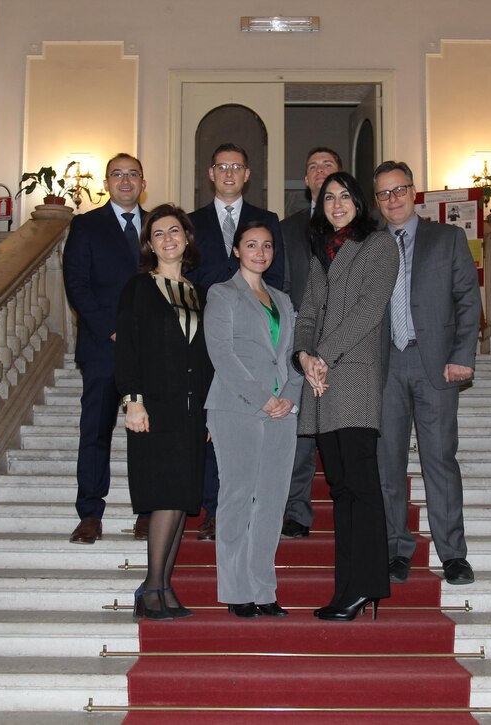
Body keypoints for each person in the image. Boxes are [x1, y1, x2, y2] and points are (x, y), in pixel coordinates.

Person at [293, 172, 399, 622]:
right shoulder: (321, 255)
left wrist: (322, 355)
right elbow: (308, 312)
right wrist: (302, 355)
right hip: (319, 382)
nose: (336, 204)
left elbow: (368, 312)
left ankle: (365, 586)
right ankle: (348, 589)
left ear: (359, 202)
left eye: (344, 196)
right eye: (328, 197)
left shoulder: (378, 246)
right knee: (340, 490)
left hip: (352, 380)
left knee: (360, 487)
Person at [373, 161, 481, 587]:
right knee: (388, 465)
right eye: (383, 194)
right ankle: (396, 549)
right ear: (377, 201)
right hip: (385, 366)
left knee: (439, 459)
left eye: (398, 190)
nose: (392, 199)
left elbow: (467, 301)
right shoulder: (369, 247)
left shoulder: (448, 238)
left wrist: (463, 355)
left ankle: (452, 554)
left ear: (414, 192)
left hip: (435, 363)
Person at [116, 204, 213, 619]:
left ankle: (164, 587)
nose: (168, 238)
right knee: (166, 497)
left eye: (175, 231)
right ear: (149, 244)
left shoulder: (198, 293)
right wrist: (132, 400)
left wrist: (210, 412)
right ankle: (150, 587)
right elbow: (127, 349)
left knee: (182, 498)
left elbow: (207, 357)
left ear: (187, 238)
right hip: (154, 407)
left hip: (191, 410)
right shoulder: (139, 288)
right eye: (159, 233)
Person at [187, 143, 285, 541]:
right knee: (217, 424)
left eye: (237, 167)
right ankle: (214, 507)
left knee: (258, 427)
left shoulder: (266, 219)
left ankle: (258, 505)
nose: (229, 173)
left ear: (248, 175)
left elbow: (278, 279)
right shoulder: (190, 221)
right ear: (211, 173)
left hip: (257, 340)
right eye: (222, 166)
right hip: (209, 339)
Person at [205, 221, 303, 618]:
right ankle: (236, 590)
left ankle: (263, 588)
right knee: (237, 498)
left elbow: (295, 355)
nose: (260, 252)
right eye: (251, 245)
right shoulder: (222, 294)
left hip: (282, 412)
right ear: (236, 250)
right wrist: (263, 398)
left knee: (272, 503)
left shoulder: (281, 298)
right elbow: (222, 355)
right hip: (235, 407)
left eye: (266, 246)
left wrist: (289, 398)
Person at [62, 153, 150, 545]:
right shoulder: (86, 226)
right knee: (95, 432)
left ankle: (147, 512)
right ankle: (90, 514)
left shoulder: (160, 226)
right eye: (118, 174)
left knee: (147, 433)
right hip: (103, 347)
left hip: (151, 349)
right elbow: (76, 285)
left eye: (133, 174)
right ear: (107, 182)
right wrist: (112, 329)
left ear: (143, 182)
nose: (126, 181)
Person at [280, 147, 342, 540]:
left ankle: (350, 513)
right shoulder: (287, 229)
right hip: (302, 344)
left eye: (328, 166)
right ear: (305, 180)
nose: (320, 171)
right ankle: (295, 512)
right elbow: (282, 286)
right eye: (312, 166)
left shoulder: (362, 228)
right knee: (301, 436)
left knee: (343, 435)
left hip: (352, 348)